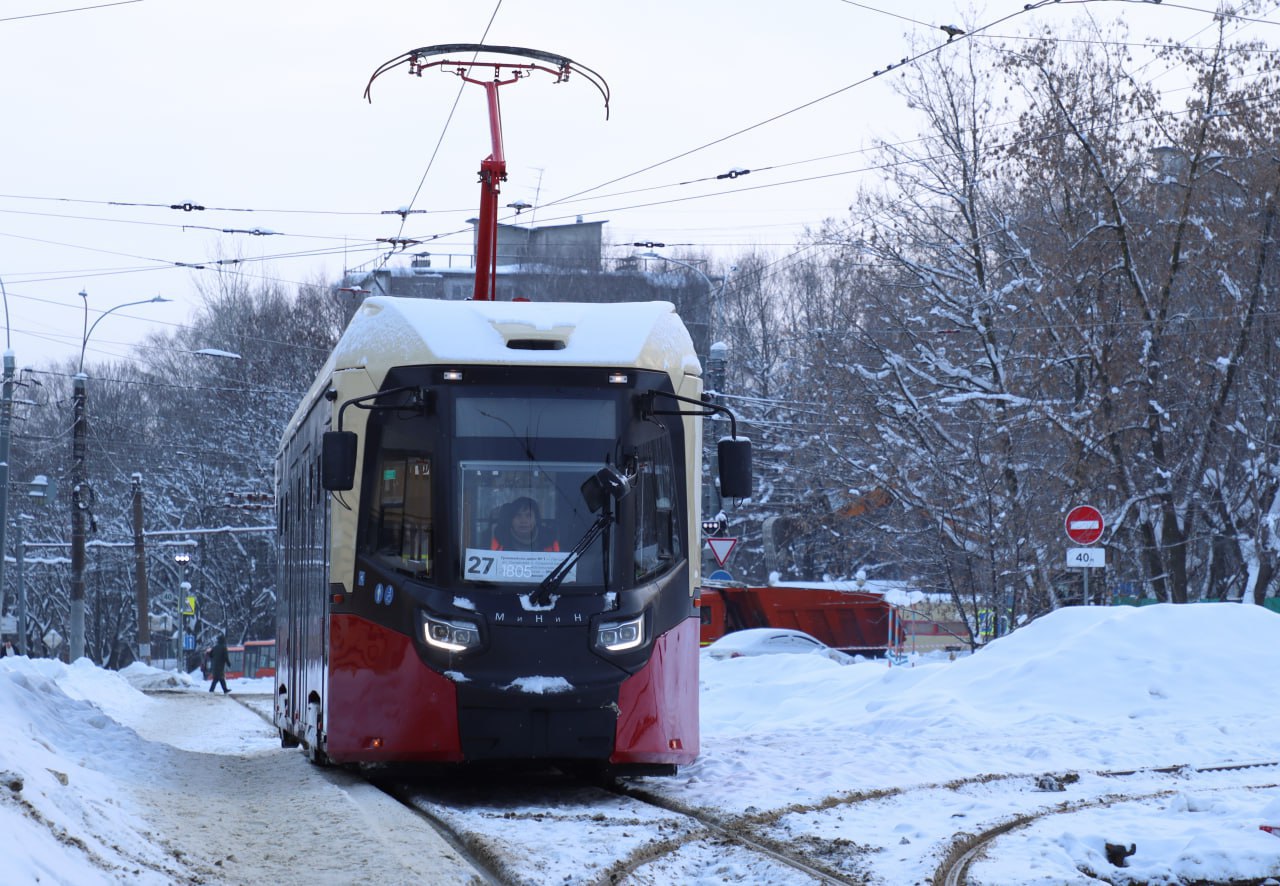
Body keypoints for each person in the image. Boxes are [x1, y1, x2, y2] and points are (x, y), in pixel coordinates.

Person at [491, 496, 560, 552]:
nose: (523, 521)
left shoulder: (550, 542)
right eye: (518, 515)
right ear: (511, 520)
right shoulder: (499, 542)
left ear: (536, 519)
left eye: (528, 516)